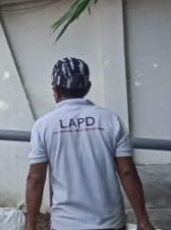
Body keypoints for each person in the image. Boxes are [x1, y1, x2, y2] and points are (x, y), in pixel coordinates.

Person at [25, 57, 156, 230]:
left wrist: (30, 225)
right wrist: (143, 220)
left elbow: (36, 179)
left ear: (55, 90)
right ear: (87, 87)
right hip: (110, 223)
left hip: (66, 224)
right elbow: (127, 172)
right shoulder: (110, 120)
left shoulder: (43, 126)